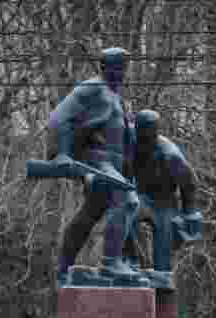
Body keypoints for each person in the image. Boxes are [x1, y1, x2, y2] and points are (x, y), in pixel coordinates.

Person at [48, 46, 147, 287]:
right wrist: (61, 153)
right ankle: (110, 262)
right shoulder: (92, 88)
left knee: (91, 213)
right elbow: (58, 118)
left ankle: (64, 266)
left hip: (113, 164)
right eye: (116, 69)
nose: (122, 74)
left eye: (124, 69)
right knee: (127, 200)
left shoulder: (114, 95)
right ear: (104, 68)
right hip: (96, 160)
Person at [122, 110, 202, 290]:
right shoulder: (128, 139)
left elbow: (189, 184)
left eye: (147, 138)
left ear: (154, 134)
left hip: (164, 203)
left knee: (162, 266)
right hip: (140, 196)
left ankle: (161, 280)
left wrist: (189, 214)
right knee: (124, 213)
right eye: (140, 135)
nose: (142, 142)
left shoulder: (170, 155)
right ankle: (129, 262)